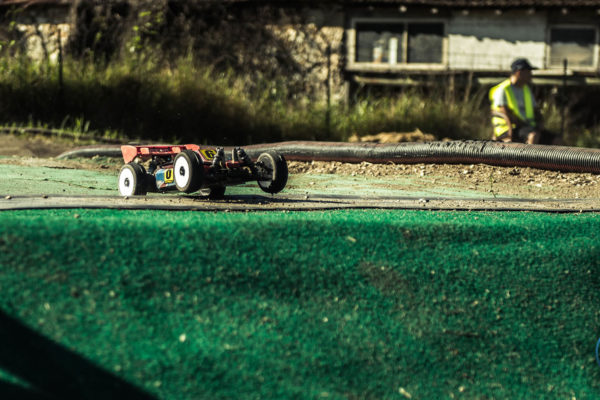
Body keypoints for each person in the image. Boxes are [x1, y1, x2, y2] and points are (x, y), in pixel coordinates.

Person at [489, 58, 561, 144]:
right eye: (528, 72)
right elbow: (503, 111)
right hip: (509, 128)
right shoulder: (503, 89)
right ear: (519, 72)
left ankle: (548, 157)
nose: (530, 75)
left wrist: (540, 122)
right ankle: (529, 157)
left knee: (556, 139)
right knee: (533, 136)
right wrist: (522, 124)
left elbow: (535, 110)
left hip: (527, 128)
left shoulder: (526, 89)